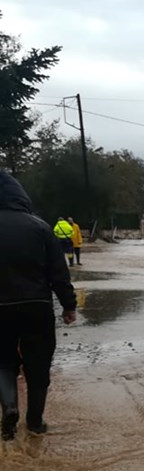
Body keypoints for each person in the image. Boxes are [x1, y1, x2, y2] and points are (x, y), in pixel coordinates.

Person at [0, 172, 77, 440]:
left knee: (4, 362)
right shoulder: (40, 227)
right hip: (37, 306)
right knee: (39, 364)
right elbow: (59, 272)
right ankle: (35, 423)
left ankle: (9, 408)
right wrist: (69, 305)